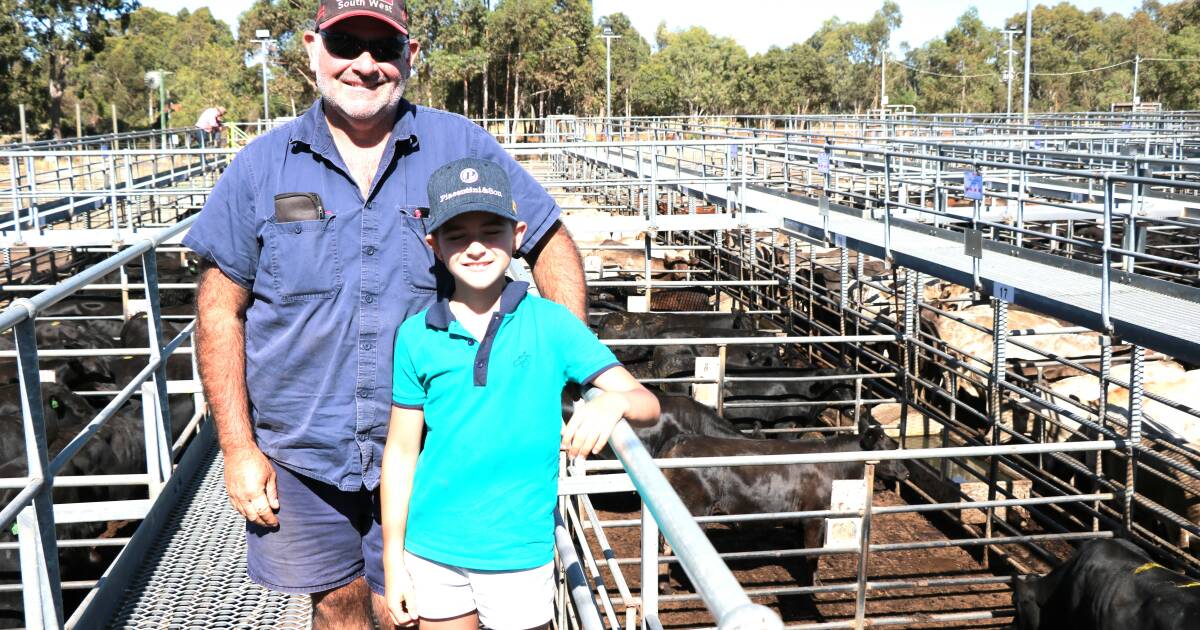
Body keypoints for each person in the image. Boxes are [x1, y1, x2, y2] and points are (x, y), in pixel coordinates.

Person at [183, 0, 588, 627]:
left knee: (416, 611)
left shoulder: (458, 146)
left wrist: (563, 371)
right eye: (347, 45)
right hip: (303, 449)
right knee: (336, 605)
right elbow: (217, 311)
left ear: (411, 57)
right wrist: (237, 448)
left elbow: (549, 240)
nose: (365, 65)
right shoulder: (261, 167)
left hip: (435, 447)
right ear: (312, 50)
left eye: (385, 47)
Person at [381, 157, 660, 629]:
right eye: (456, 236)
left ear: (518, 233)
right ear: (434, 244)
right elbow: (402, 450)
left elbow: (647, 404)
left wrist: (613, 401)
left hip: (517, 549)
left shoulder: (551, 325)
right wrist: (393, 560)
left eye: (491, 231)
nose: (475, 248)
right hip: (431, 546)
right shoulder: (415, 335)